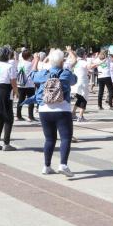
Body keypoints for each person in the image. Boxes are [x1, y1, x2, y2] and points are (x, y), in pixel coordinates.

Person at [34, 49, 78, 177]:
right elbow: (74, 80)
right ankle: (63, 164)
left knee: (49, 139)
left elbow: (33, 76)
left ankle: (46, 166)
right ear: (62, 61)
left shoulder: (43, 73)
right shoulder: (65, 73)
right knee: (65, 138)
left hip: (44, 109)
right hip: (62, 109)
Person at [0, 46, 19, 150]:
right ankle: (6, 143)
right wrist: (16, 92)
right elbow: (13, 82)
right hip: (5, 91)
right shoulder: (9, 66)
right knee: (8, 118)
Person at [71, 48, 91, 122]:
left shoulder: (76, 61)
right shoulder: (83, 61)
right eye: (85, 53)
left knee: (79, 99)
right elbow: (90, 66)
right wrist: (100, 63)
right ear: (83, 54)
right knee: (84, 99)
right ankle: (80, 116)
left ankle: (73, 114)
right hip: (82, 83)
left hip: (76, 83)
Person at [16, 49, 36, 121]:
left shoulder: (20, 63)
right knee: (31, 100)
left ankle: (18, 115)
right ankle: (30, 116)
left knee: (20, 100)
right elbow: (35, 70)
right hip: (29, 84)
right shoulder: (30, 64)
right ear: (29, 56)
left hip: (20, 84)